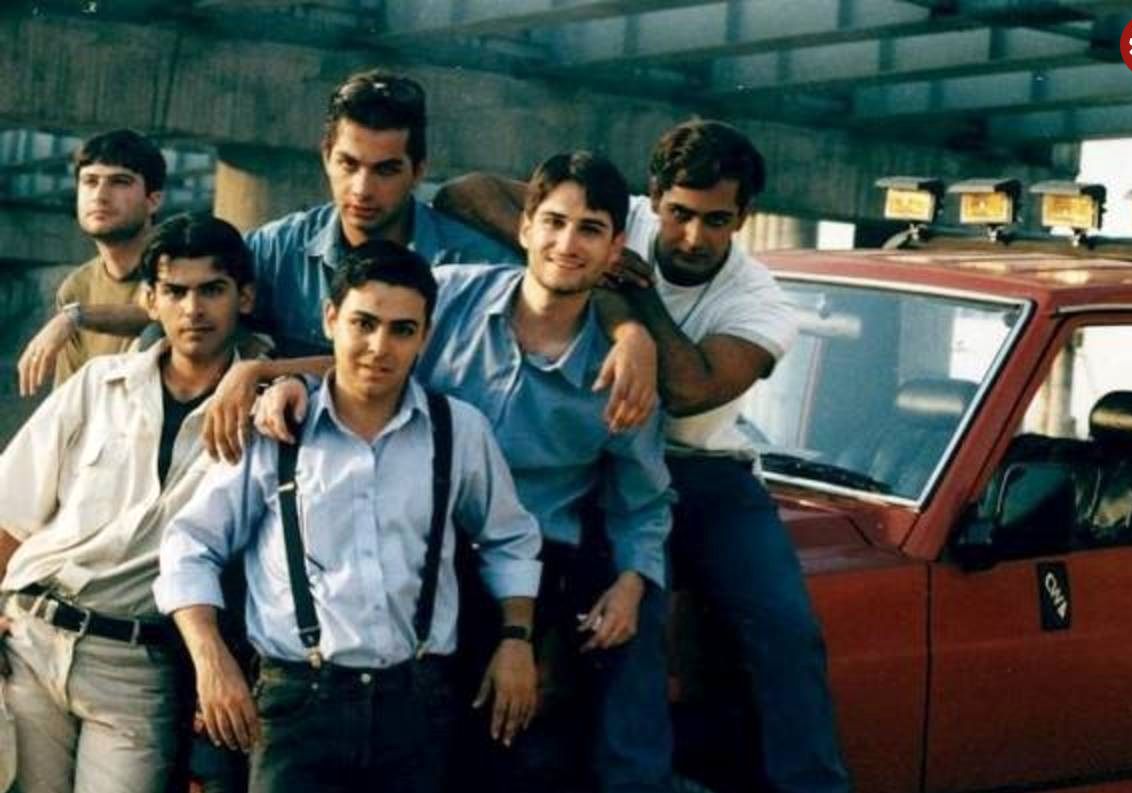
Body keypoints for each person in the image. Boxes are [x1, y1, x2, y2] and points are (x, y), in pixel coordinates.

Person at [435, 120, 850, 793]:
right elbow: (464, 191)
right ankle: (637, 781)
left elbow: (688, 390)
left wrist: (631, 314)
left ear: (745, 216)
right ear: (652, 199)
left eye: (717, 220)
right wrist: (580, 265)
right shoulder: (608, 217)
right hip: (604, 457)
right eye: (680, 213)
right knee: (626, 620)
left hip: (705, 468)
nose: (693, 236)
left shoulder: (762, 302)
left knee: (785, 626)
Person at [259, 151, 675, 793]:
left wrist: (632, 582)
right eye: (554, 222)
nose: (567, 244)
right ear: (526, 226)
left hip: (534, 573)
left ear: (614, 247)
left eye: (590, 230)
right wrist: (272, 377)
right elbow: (366, 356)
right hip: (414, 546)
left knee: (505, 757)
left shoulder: (621, 372)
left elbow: (642, 499)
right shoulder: (450, 292)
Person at [17, 70, 655, 464]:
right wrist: (81, 320)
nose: (362, 189)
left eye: (386, 170)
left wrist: (631, 333)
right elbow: (187, 307)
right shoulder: (276, 249)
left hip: (418, 480)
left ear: (419, 170)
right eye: (348, 164)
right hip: (281, 474)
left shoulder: (465, 262)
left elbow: (557, 285)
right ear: (326, 154)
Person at [154, 245, 543, 793]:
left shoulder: (458, 430)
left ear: (425, 336)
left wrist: (516, 638)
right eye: (364, 323)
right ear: (331, 319)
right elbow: (190, 545)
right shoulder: (276, 429)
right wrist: (210, 658)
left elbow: (510, 538)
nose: (379, 347)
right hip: (296, 704)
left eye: (402, 330)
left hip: (417, 705)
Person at [0, 213, 258, 793]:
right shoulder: (99, 383)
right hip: (30, 636)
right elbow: (10, 510)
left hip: (137, 665)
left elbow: (358, 374)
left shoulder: (263, 409)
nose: (193, 309)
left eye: (212, 290)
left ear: (244, 297)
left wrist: (269, 373)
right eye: (175, 291)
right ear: (149, 299)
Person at [17, 128, 166, 395]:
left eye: (120, 182)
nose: (100, 195)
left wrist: (75, 317)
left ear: (153, 201)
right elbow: (70, 398)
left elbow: (171, 317)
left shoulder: (179, 261)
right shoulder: (76, 288)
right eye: (90, 181)